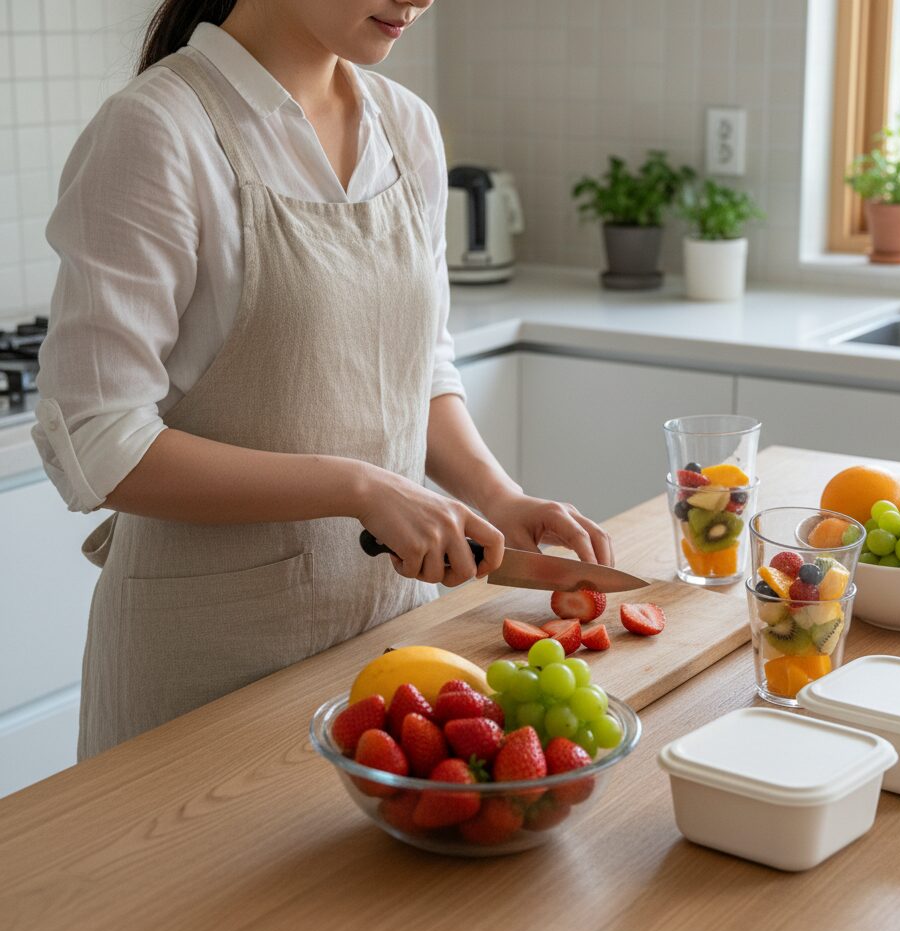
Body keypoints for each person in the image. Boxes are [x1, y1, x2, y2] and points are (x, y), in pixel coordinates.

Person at [33, 0, 612, 760]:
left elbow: (419, 366)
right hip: (208, 673)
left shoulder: (406, 128)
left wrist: (499, 497)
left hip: (391, 653)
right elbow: (99, 441)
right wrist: (359, 487)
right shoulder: (158, 131)